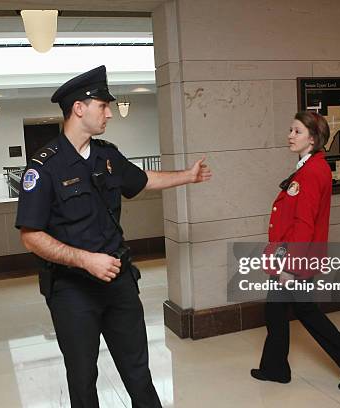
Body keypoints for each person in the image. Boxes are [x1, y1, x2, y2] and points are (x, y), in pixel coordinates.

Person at [15, 65, 212, 408]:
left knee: (138, 370)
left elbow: (142, 180)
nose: (109, 113)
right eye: (103, 106)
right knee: (82, 378)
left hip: (118, 281)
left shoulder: (107, 154)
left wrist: (187, 176)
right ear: (79, 108)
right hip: (72, 290)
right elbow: (31, 237)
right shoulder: (44, 167)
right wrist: (85, 260)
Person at [251, 111, 340, 390]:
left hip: (295, 258)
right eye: (290, 130)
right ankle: (278, 367)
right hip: (290, 254)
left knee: (293, 312)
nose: (290, 136)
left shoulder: (313, 171)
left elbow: (304, 224)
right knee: (291, 311)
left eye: (297, 132)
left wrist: (288, 268)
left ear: (313, 139)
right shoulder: (309, 166)